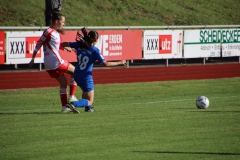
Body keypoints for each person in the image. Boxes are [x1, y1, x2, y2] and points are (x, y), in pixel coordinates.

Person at [61, 27, 127, 114]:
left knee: (86, 92)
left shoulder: (79, 44)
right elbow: (105, 64)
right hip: (86, 77)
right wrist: (120, 62)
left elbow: (63, 44)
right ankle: (73, 104)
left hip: (76, 74)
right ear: (95, 40)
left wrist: (69, 48)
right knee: (90, 100)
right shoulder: (94, 50)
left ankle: (88, 108)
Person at [29, 11, 78, 112]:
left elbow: (57, 45)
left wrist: (67, 49)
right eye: (63, 22)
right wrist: (33, 58)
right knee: (76, 72)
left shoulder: (56, 34)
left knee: (64, 82)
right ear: (56, 21)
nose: (64, 24)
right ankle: (72, 96)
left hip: (49, 65)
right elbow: (39, 43)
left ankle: (64, 107)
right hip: (55, 62)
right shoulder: (48, 32)